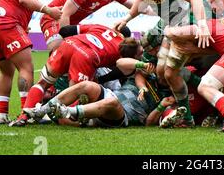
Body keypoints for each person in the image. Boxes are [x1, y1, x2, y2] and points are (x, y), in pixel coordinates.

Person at [115, 0, 212, 127]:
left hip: (186, 24)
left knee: (169, 73)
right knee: (162, 72)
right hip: (170, 27)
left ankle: (197, 106)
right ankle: (187, 103)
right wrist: (126, 19)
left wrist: (202, 25)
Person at [10, 24, 141, 126]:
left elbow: (66, 30)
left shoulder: (102, 27)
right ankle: (61, 118)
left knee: (42, 84)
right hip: (86, 56)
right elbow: (121, 69)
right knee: (74, 93)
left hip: (69, 44)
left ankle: (24, 116)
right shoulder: (123, 51)